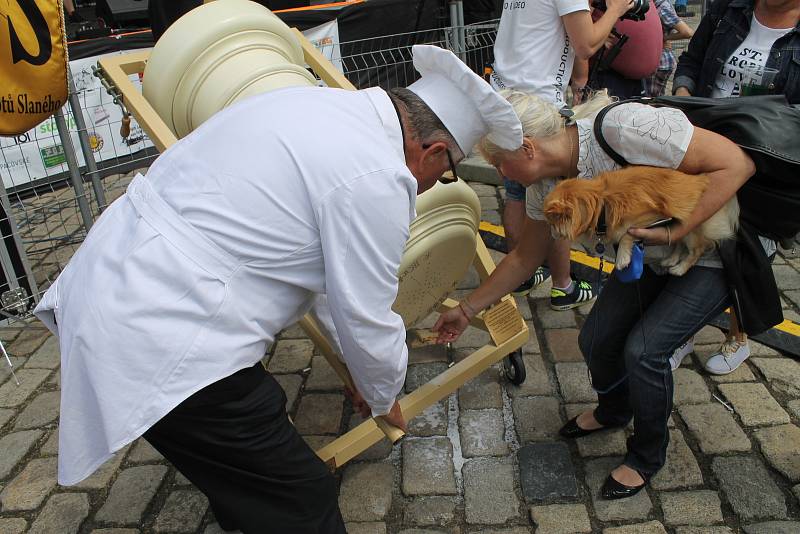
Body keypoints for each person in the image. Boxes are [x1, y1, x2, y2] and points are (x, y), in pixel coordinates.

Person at [33, 45, 522, 532]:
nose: (437, 183)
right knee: (303, 499)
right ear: (433, 150)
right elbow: (366, 313)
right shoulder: (379, 175)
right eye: (446, 173)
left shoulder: (312, 102)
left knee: (251, 481)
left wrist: (363, 372)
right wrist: (384, 395)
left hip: (110, 275)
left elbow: (334, 284)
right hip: (164, 328)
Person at [434, 89, 756, 498]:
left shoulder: (625, 128)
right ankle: (614, 411)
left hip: (712, 248)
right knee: (597, 339)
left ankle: (646, 454)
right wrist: (466, 309)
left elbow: (737, 165)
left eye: (501, 163)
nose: (502, 175)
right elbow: (524, 257)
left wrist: (673, 231)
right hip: (648, 253)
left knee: (645, 351)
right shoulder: (542, 187)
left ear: (528, 148)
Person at [669, 0, 799, 373]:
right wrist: (684, 99)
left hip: (764, 160)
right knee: (695, 233)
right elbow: (692, 62)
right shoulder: (729, 10)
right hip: (703, 145)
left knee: (747, 248)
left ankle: (738, 336)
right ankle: (683, 328)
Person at [489, 0, 634, 306]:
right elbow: (586, 46)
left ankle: (523, 274)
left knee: (516, 194)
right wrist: (615, 10)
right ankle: (563, 286)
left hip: (506, 97)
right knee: (556, 202)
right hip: (538, 107)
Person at [645, 0, 695, 97]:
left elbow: (687, 32)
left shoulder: (662, 7)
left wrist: (663, 38)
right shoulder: (656, 4)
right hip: (656, 59)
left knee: (653, 101)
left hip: (660, 62)